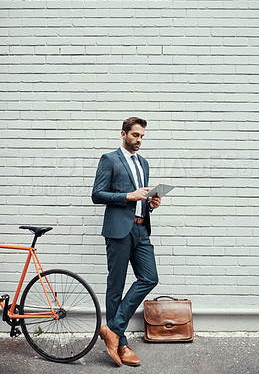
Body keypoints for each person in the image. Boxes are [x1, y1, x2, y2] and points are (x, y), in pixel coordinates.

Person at [91, 117, 161, 367]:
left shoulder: (144, 163)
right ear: (123, 134)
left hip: (142, 230)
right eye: (135, 135)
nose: (139, 140)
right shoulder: (109, 159)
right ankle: (120, 343)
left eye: (142, 136)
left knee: (150, 277)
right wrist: (128, 196)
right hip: (119, 231)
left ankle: (112, 329)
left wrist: (151, 204)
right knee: (116, 286)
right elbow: (97, 194)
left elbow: (141, 199)